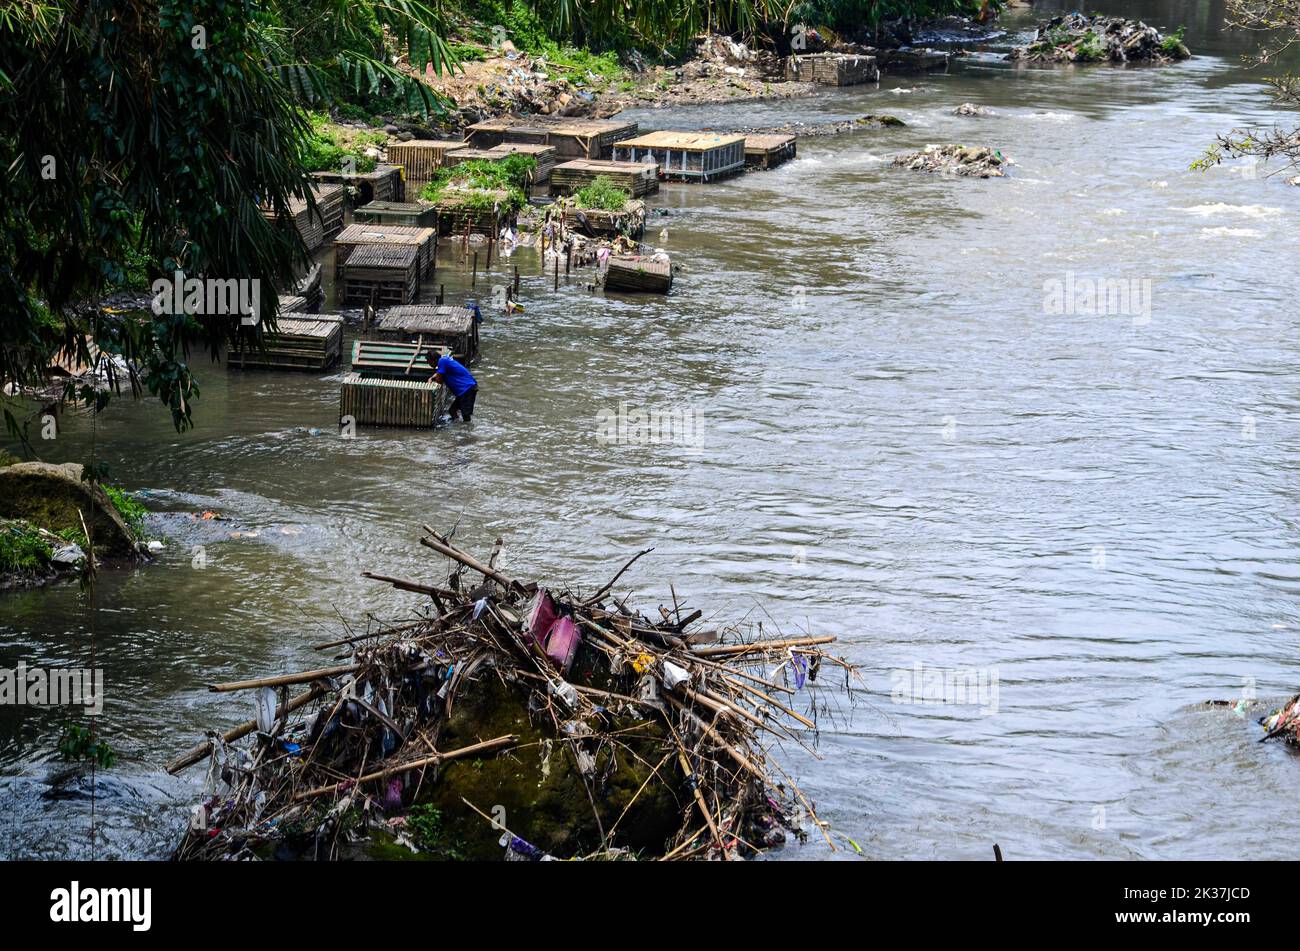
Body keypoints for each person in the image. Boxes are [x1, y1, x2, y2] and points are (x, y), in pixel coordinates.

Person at [428, 350, 478, 422]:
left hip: (467, 388)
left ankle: (467, 430)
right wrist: (432, 378)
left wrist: (435, 379)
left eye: (429, 361)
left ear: (433, 360)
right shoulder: (444, 360)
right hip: (465, 390)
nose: (429, 364)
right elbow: (439, 373)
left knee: (466, 416)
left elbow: (439, 381)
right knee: (452, 410)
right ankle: (458, 427)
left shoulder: (442, 361)